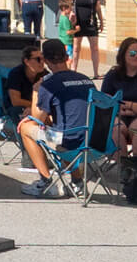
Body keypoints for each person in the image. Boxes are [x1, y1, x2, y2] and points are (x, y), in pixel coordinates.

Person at [17, 38, 94, 197]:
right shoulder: (87, 80)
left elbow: (37, 119)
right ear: (66, 57)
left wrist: (36, 91)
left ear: (44, 60)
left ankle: (45, 182)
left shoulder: (48, 84)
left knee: (26, 128)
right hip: (94, 141)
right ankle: (77, 182)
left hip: (68, 142)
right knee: (63, 126)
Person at [100, 37, 137, 159]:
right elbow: (106, 103)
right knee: (115, 130)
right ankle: (123, 169)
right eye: (132, 53)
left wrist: (128, 105)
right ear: (123, 55)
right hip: (118, 116)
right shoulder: (113, 75)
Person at [3, 44, 46, 123]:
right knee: (19, 112)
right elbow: (16, 101)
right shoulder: (15, 74)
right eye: (38, 59)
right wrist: (33, 107)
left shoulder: (45, 74)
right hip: (18, 108)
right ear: (27, 61)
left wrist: (33, 108)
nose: (42, 62)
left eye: (43, 59)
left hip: (36, 107)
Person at [70, 0, 103, 73]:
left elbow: (98, 7)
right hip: (78, 24)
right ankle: (73, 71)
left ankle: (96, 73)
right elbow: (66, 3)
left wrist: (101, 21)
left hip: (91, 23)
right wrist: (70, 13)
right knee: (76, 48)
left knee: (95, 48)